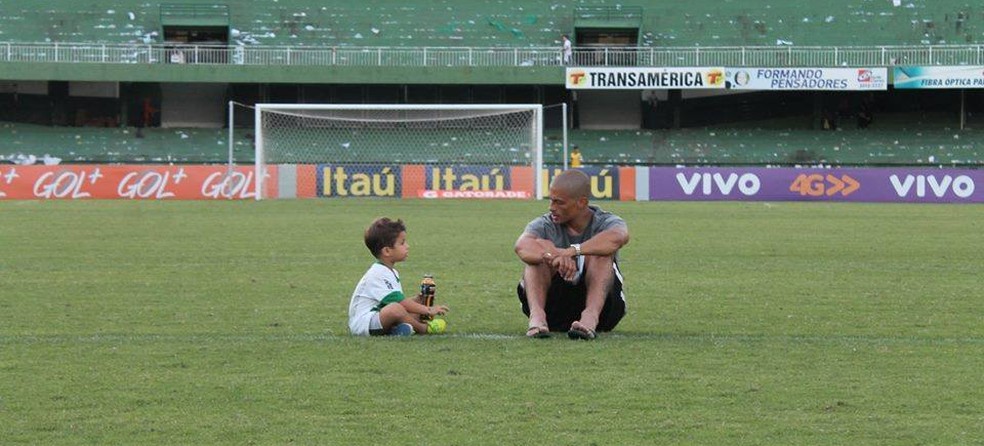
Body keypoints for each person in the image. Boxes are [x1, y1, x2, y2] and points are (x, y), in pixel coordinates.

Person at [514, 170, 629, 340]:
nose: (551, 207)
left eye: (559, 203)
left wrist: (572, 251)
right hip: (554, 311)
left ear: (582, 202)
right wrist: (552, 255)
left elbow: (619, 237)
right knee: (538, 253)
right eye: (551, 201)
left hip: (604, 313)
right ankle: (537, 318)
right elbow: (521, 246)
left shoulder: (606, 222)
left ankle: (589, 319)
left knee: (601, 253)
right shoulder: (544, 224)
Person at [348, 217, 449, 336]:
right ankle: (423, 329)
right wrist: (429, 310)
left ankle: (395, 330)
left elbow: (398, 302)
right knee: (396, 309)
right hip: (364, 323)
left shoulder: (390, 271)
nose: (407, 246)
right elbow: (399, 303)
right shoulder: (378, 273)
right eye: (402, 243)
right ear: (387, 251)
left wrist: (418, 300)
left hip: (379, 317)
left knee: (411, 307)